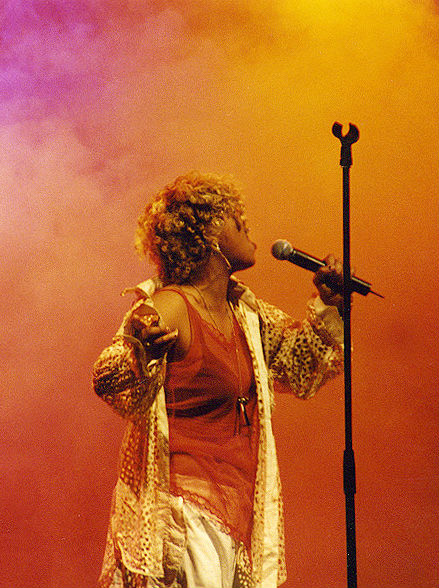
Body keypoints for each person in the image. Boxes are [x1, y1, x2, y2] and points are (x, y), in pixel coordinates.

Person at [93, 171, 344, 588]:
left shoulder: (245, 315)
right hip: (185, 515)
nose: (244, 220)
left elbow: (301, 367)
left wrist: (330, 305)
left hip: (236, 514)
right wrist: (142, 351)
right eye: (229, 213)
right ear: (206, 233)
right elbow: (109, 377)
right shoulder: (171, 306)